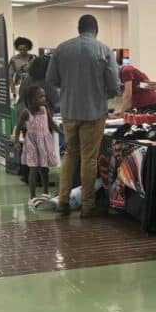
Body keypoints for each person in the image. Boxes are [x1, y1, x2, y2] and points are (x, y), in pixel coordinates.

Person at [46, 14, 120, 218]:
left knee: (70, 154)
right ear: (96, 29)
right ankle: (88, 206)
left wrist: (70, 89)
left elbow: (51, 79)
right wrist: (101, 93)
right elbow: (114, 86)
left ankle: (62, 201)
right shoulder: (104, 50)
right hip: (94, 111)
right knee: (89, 158)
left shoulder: (61, 48)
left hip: (69, 111)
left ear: (79, 29)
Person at [13, 85, 60, 204]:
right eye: (40, 97)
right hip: (32, 144)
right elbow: (18, 128)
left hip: (44, 143)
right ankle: (32, 196)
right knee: (33, 169)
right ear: (31, 99)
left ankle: (45, 192)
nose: (43, 99)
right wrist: (17, 141)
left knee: (44, 169)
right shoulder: (26, 113)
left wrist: (62, 132)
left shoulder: (45, 109)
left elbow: (51, 123)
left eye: (43, 96)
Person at [18, 55, 59, 123]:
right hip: (39, 117)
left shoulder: (26, 79)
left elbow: (20, 93)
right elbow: (56, 101)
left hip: (22, 113)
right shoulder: (47, 82)